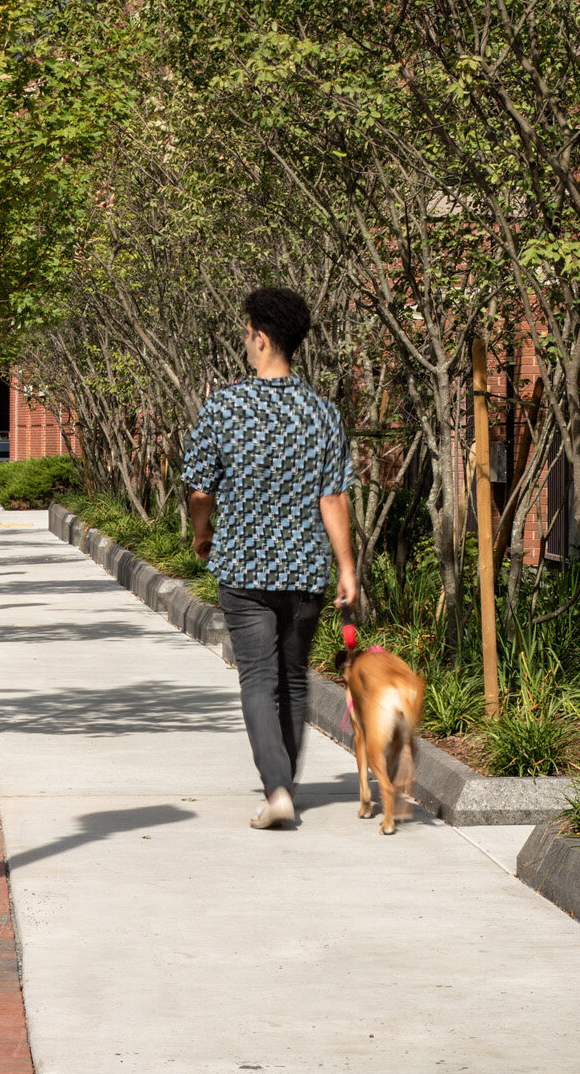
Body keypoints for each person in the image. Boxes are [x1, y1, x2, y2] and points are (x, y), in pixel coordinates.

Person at [182, 285, 355, 830]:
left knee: (258, 678)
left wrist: (202, 532)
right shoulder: (322, 413)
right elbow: (334, 498)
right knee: (295, 679)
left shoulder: (225, 406)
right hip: (306, 570)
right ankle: (287, 784)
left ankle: (277, 789)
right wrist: (347, 567)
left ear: (259, 336)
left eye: (246, 332)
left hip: (245, 567)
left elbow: (200, 490)